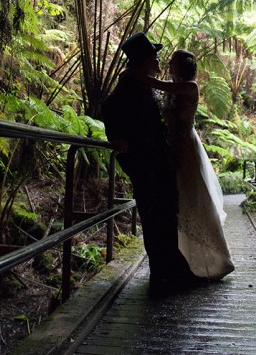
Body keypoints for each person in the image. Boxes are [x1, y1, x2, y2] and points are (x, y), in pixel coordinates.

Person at [101, 32, 201, 295]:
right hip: (146, 164)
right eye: (155, 56)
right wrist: (118, 139)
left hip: (157, 162)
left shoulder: (140, 82)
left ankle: (169, 271)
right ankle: (164, 273)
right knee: (155, 216)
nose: (159, 60)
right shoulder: (130, 84)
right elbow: (108, 108)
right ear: (144, 60)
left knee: (164, 216)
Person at [144, 49, 235, 280]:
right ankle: (183, 261)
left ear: (183, 66)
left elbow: (162, 86)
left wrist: (137, 76)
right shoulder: (175, 90)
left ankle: (214, 261)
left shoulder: (190, 87)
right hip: (172, 147)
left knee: (192, 201)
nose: (168, 64)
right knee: (178, 203)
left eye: (172, 62)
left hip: (186, 148)